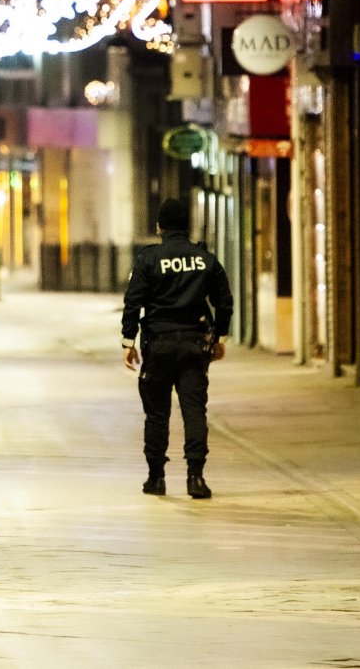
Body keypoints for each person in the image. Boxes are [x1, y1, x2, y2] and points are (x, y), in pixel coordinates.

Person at [121, 196, 233, 500]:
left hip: (158, 345)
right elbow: (224, 300)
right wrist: (220, 337)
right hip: (195, 345)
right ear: (187, 225)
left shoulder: (149, 259)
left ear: (159, 226)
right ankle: (196, 477)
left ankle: (156, 477)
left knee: (157, 413)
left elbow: (133, 301)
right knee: (194, 410)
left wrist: (128, 341)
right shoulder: (204, 259)